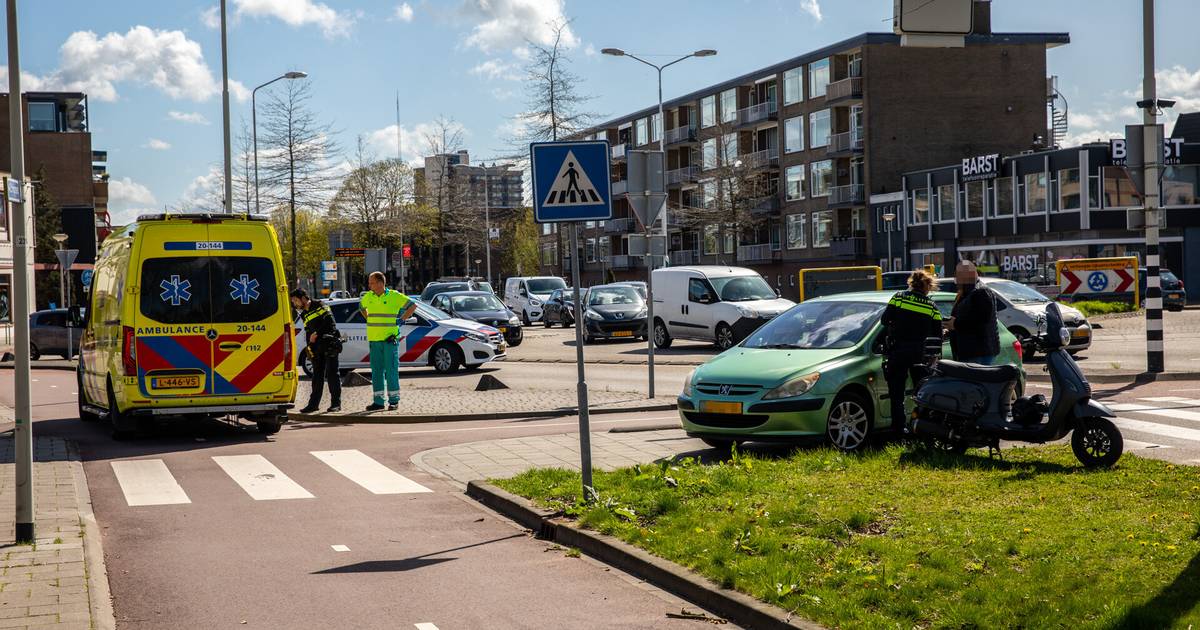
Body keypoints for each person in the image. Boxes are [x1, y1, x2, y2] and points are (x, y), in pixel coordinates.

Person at [881, 270, 943, 432]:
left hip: (898, 351)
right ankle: (920, 428)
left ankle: (899, 430)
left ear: (911, 283)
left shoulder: (899, 297)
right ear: (927, 286)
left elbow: (884, 320)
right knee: (921, 394)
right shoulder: (931, 306)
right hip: (919, 354)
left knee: (896, 394)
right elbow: (937, 334)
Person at [359, 271, 417, 411]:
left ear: (380, 283)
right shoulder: (368, 296)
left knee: (391, 371)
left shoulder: (394, 296)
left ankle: (393, 400)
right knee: (376, 371)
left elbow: (412, 306)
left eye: (372, 282)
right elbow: (361, 308)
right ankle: (378, 402)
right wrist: (369, 319)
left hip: (389, 340)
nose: (369, 285)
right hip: (374, 340)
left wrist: (402, 319)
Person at [291, 289, 341, 414]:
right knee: (317, 376)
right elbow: (308, 331)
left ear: (303, 298)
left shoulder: (320, 305)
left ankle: (336, 404)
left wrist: (317, 334)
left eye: (296, 300)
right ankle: (313, 405)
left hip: (329, 343)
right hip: (317, 347)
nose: (295, 304)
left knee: (332, 374)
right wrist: (310, 346)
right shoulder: (304, 313)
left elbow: (330, 323)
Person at [946, 261, 1000, 364]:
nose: (956, 280)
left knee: (976, 380)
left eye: (958, 275)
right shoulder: (966, 293)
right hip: (971, 352)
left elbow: (981, 320)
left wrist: (956, 324)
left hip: (978, 353)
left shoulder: (981, 292)